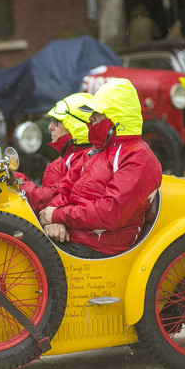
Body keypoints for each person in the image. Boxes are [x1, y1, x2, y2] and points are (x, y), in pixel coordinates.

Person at [37, 79, 163, 258]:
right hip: (73, 239)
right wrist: (54, 222)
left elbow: (111, 212)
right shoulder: (98, 149)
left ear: (117, 117)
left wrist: (58, 215)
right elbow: (64, 188)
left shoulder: (138, 157)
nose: (90, 118)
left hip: (99, 249)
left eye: (97, 112)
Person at [17, 92, 92, 212]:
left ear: (75, 125)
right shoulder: (70, 157)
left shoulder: (82, 161)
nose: (50, 127)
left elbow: (46, 200)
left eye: (56, 121)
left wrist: (16, 181)